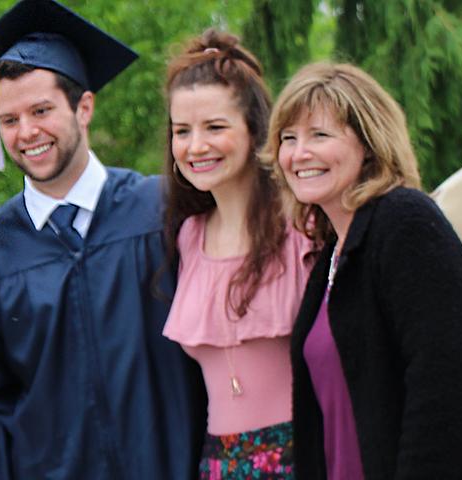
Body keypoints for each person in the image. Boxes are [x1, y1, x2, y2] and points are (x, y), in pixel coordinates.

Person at [0, 0, 205, 478]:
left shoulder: (163, 209)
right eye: (9, 119)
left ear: (84, 107)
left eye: (42, 110)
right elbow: (0, 404)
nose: (27, 132)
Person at [265, 63, 462, 479]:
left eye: (320, 135)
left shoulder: (405, 222)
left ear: (368, 143)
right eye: (288, 138)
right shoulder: (334, 254)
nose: (299, 153)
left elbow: (442, 383)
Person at [161, 29, 311, 479]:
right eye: (182, 131)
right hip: (219, 464)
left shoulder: (302, 227)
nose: (196, 146)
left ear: (254, 130)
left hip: (304, 454)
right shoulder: (188, 237)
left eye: (215, 127)